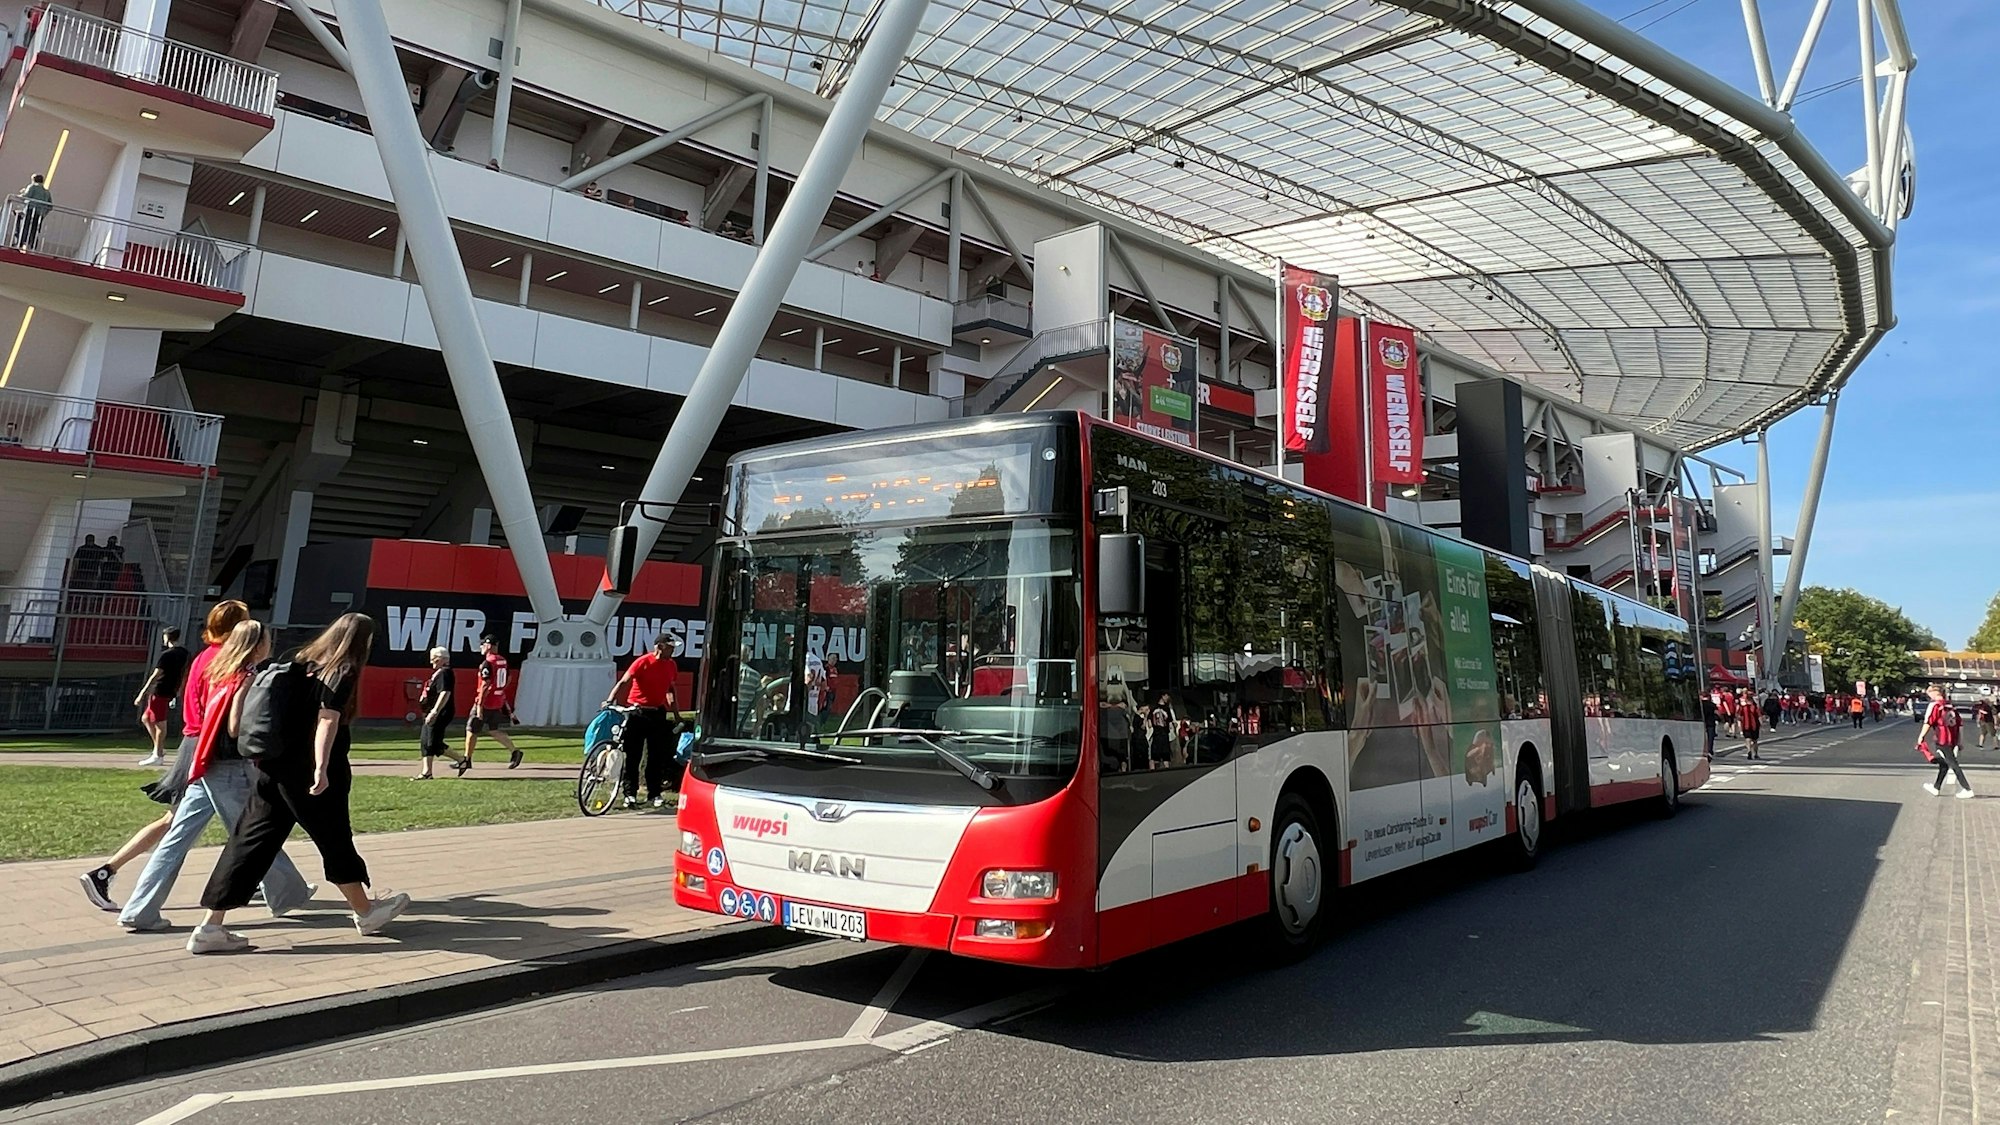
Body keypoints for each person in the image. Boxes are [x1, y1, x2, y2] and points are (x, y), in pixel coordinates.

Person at [190, 613, 410, 953]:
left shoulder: (302, 663)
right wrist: (321, 768)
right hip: (309, 770)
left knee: (248, 843)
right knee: (333, 836)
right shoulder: (341, 669)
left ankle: (210, 928)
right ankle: (366, 912)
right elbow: (327, 720)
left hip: (273, 767)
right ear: (361, 642)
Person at [112, 603, 313, 931]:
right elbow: (233, 722)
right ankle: (285, 892)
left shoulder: (207, 660)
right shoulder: (240, 669)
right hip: (224, 756)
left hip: (199, 750)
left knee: (183, 835)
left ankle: (140, 908)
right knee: (252, 831)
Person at [604, 633, 682, 809]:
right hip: (637, 712)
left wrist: (676, 714)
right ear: (659, 646)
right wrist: (610, 700)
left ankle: (654, 794)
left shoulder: (671, 665)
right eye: (669, 647)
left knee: (656, 756)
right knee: (633, 756)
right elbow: (624, 681)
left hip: (657, 713)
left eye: (673, 647)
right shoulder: (643, 662)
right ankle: (630, 794)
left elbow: (670, 690)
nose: (672, 650)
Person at [133, 628, 191, 767]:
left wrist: (143, 692)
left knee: (160, 722)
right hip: (171, 689)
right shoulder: (185, 653)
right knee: (146, 718)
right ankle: (158, 748)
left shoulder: (166, 655)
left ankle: (157, 755)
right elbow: (185, 673)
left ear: (167, 637)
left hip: (159, 690)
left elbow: (156, 675)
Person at [465, 635, 522, 769]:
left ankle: (466, 759)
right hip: (497, 701)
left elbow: (485, 684)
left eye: (483, 645)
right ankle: (515, 751)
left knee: (471, 729)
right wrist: (500, 691)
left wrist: (479, 704)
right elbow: (508, 678)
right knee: (493, 729)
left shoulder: (487, 663)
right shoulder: (503, 661)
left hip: (486, 701)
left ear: (488, 646)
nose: (481, 647)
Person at [413, 646, 468, 779]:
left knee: (432, 741)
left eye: (435, 660)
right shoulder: (438, 672)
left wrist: (435, 711)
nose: (432, 663)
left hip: (440, 712)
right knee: (426, 740)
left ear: (443, 659)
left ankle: (461, 760)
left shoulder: (445, 672)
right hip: (431, 711)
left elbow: (445, 692)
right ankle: (428, 771)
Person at [1918, 686, 1974, 799]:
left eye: (1929, 693)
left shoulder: (1935, 706)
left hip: (1942, 739)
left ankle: (1967, 788)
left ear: (1934, 693)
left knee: (1952, 763)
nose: (1929, 696)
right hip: (1952, 739)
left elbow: (1928, 722)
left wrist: (1921, 736)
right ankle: (1936, 787)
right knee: (1945, 763)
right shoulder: (1951, 706)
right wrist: (1960, 741)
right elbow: (1960, 725)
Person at [16, 173, 51, 250]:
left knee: (25, 227)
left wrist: (19, 195)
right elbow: (50, 205)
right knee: (35, 229)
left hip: (31, 210)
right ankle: (32, 246)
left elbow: (26, 196)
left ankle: (21, 243)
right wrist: (44, 213)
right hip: (40, 213)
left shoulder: (33, 187)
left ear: (33, 180)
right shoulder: (46, 192)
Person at [1740, 691, 1763, 760]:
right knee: (1755, 740)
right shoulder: (1755, 707)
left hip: (1745, 725)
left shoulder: (1743, 707)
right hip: (1754, 725)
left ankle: (1749, 750)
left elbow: (1740, 717)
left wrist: (1740, 727)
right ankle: (1755, 754)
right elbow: (1759, 716)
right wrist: (1761, 724)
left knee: (1747, 739)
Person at [1702, 693, 1718, 761]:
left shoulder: (1700, 705)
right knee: (1710, 738)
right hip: (1711, 722)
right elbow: (1717, 712)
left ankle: (1703, 750)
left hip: (1702, 723)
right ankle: (1709, 750)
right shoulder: (1712, 704)